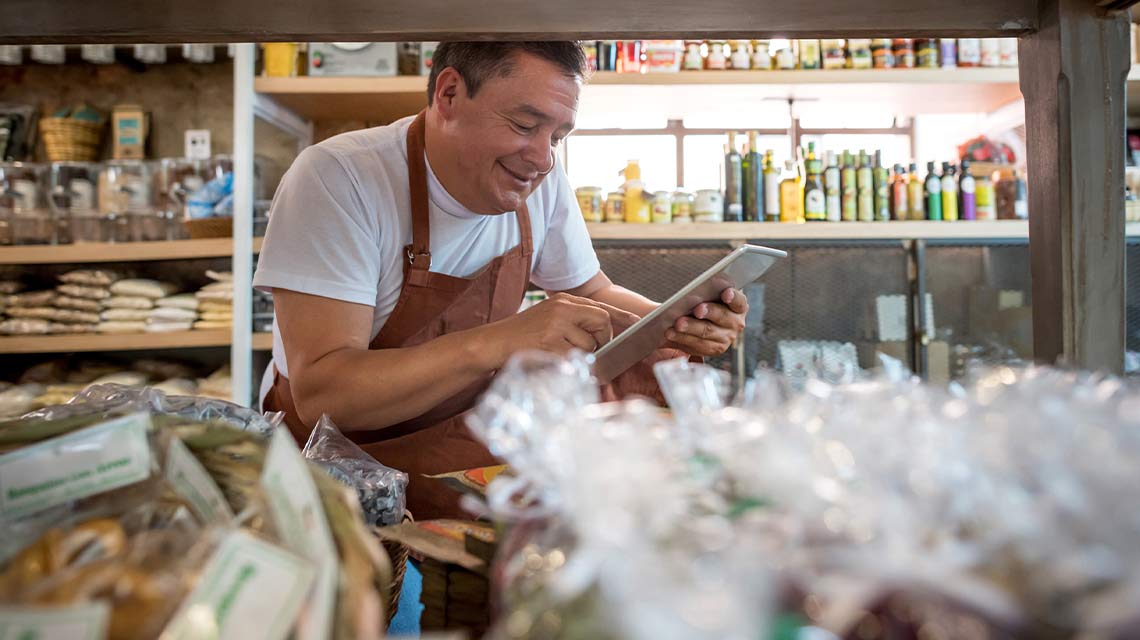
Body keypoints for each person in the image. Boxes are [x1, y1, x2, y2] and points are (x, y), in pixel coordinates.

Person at [254, 41, 749, 518]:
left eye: (556, 137)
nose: (543, 159)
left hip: (457, 458)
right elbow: (325, 393)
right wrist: (502, 340)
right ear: (448, 95)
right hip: (338, 478)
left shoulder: (541, 184)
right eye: (525, 124)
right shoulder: (341, 178)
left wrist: (679, 320)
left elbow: (592, 292)